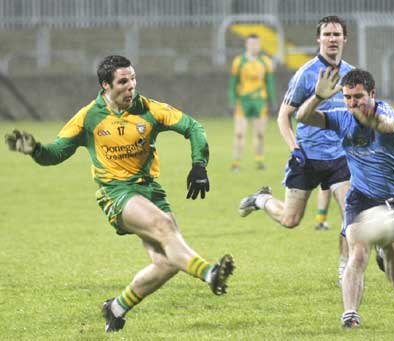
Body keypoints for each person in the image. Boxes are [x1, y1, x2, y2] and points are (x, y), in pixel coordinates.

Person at [4, 55, 235, 333]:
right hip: (115, 193)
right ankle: (210, 273)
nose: (131, 87)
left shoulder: (148, 108)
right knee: (164, 227)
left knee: (167, 263)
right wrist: (36, 150)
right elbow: (56, 152)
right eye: (123, 81)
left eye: (133, 79)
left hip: (150, 190)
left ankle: (116, 308)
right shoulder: (89, 117)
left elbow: (193, 127)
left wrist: (199, 164)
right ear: (105, 86)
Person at [296, 67, 394, 328]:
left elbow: (387, 125)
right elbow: (303, 116)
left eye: (358, 97)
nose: (352, 103)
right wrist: (317, 96)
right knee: (357, 255)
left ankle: (384, 248)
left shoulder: (389, 115)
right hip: (361, 198)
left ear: (372, 94)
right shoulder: (342, 117)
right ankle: (350, 314)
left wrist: (371, 119)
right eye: (348, 98)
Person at [238, 16, 352, 283]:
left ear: (344, 39)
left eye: (337, 34)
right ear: (319, 39)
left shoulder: (351, 74)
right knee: (290, 220)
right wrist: (295, 148)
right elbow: (283, 116)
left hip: (339, 158)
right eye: (327, 34)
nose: (332, 39)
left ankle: (345, 271)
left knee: (351, 216)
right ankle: (261, 200)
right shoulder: (306, 73)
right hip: (308, 157)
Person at [228, 33, 276, 171]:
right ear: (247, 45)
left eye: (257, 44)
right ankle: (236, 162)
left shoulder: (266, 62)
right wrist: (232, 101)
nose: (254, 46)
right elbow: (233, 83)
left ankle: (259, 161)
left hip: (260, 101)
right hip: (243, 101)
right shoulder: (239, 62)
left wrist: (272, 101)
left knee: (260, 133)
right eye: (252, 44)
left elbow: (269, 83)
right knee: (239, 133)